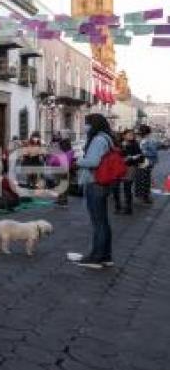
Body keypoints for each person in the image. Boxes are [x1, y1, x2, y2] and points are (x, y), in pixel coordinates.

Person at [75, 113, 116, 269]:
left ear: (93, 124)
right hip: (102, 184)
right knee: (103, 222)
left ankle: (97, 256)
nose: (85, 126)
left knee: (98, 223)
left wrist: (79, 161)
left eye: (87, 123)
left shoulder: (98, 140)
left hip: (95, 183)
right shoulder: (106, 138)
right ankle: (106, 256)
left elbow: (93, 161)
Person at [113, 129, 143, 215]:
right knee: (115, 187)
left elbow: (140, 156)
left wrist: (131, 157)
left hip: (130, 167)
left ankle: (128, 208)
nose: (131, 136)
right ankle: (117, 206)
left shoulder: (135, 144)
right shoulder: (118, 144)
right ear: (124, 135)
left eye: (132, 134)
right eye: (129, 134)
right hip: (118, 168)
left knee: (127, 188)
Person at [137, 124, 159, 204]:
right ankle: (144, 196)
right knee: (144, 179)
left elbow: (153, 152)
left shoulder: (148, 140)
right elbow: (153, 152)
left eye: (141, 131)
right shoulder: (145, 140)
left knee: (145, 179)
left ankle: (145, 196)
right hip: (144, 162)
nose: (140, 133)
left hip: (146, 162)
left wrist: (142, 153)